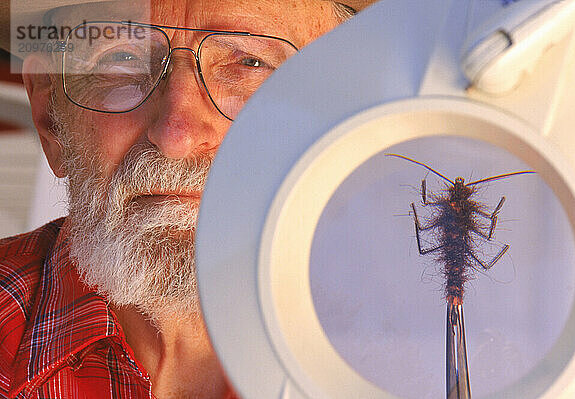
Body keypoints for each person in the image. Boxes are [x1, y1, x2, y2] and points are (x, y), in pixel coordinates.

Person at [0, 0, 376, 398]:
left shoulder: (438, 354)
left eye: (249, 63)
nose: (176, 136)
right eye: (122, 59)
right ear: (48, 117)